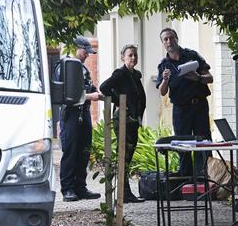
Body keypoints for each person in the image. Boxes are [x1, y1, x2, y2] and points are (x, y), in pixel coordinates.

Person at [156, 28, 213, 176]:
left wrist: (198, 78)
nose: (169, 42)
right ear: (163, 43)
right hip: (180, 109)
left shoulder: (192, 55)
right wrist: (165, 80)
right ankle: (185, 180)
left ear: (176, 38)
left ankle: (205, 177)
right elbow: (162, 91)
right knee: (182, 144)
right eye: (165, 39)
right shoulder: (164, 65)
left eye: (171, 38)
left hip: (199, 105)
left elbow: (210, 77)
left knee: (203, 142)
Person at [58, 36, 104, 202]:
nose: (87, 55)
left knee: (83, 151)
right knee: (71, 152)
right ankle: (68, 189)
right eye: (85, 51)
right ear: (75, 48)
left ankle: (80, 187)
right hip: (70, 114)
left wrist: (98, 92)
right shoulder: (65, 66)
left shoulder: (82, 69)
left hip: (83, 113)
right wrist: (90, 95)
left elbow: (89, 87)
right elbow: (66, 94)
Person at [100, 44, 147, 203]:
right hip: (123, 118)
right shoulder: (120, 74)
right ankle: (124, 193)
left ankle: (125, 192)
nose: (133, 58)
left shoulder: (135, 75)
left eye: (135, 55)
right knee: (124, 156)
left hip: (133, 120)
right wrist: (120, 101)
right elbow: (104, 87)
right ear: (123, 57)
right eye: (130, 55)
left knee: (128, 155)